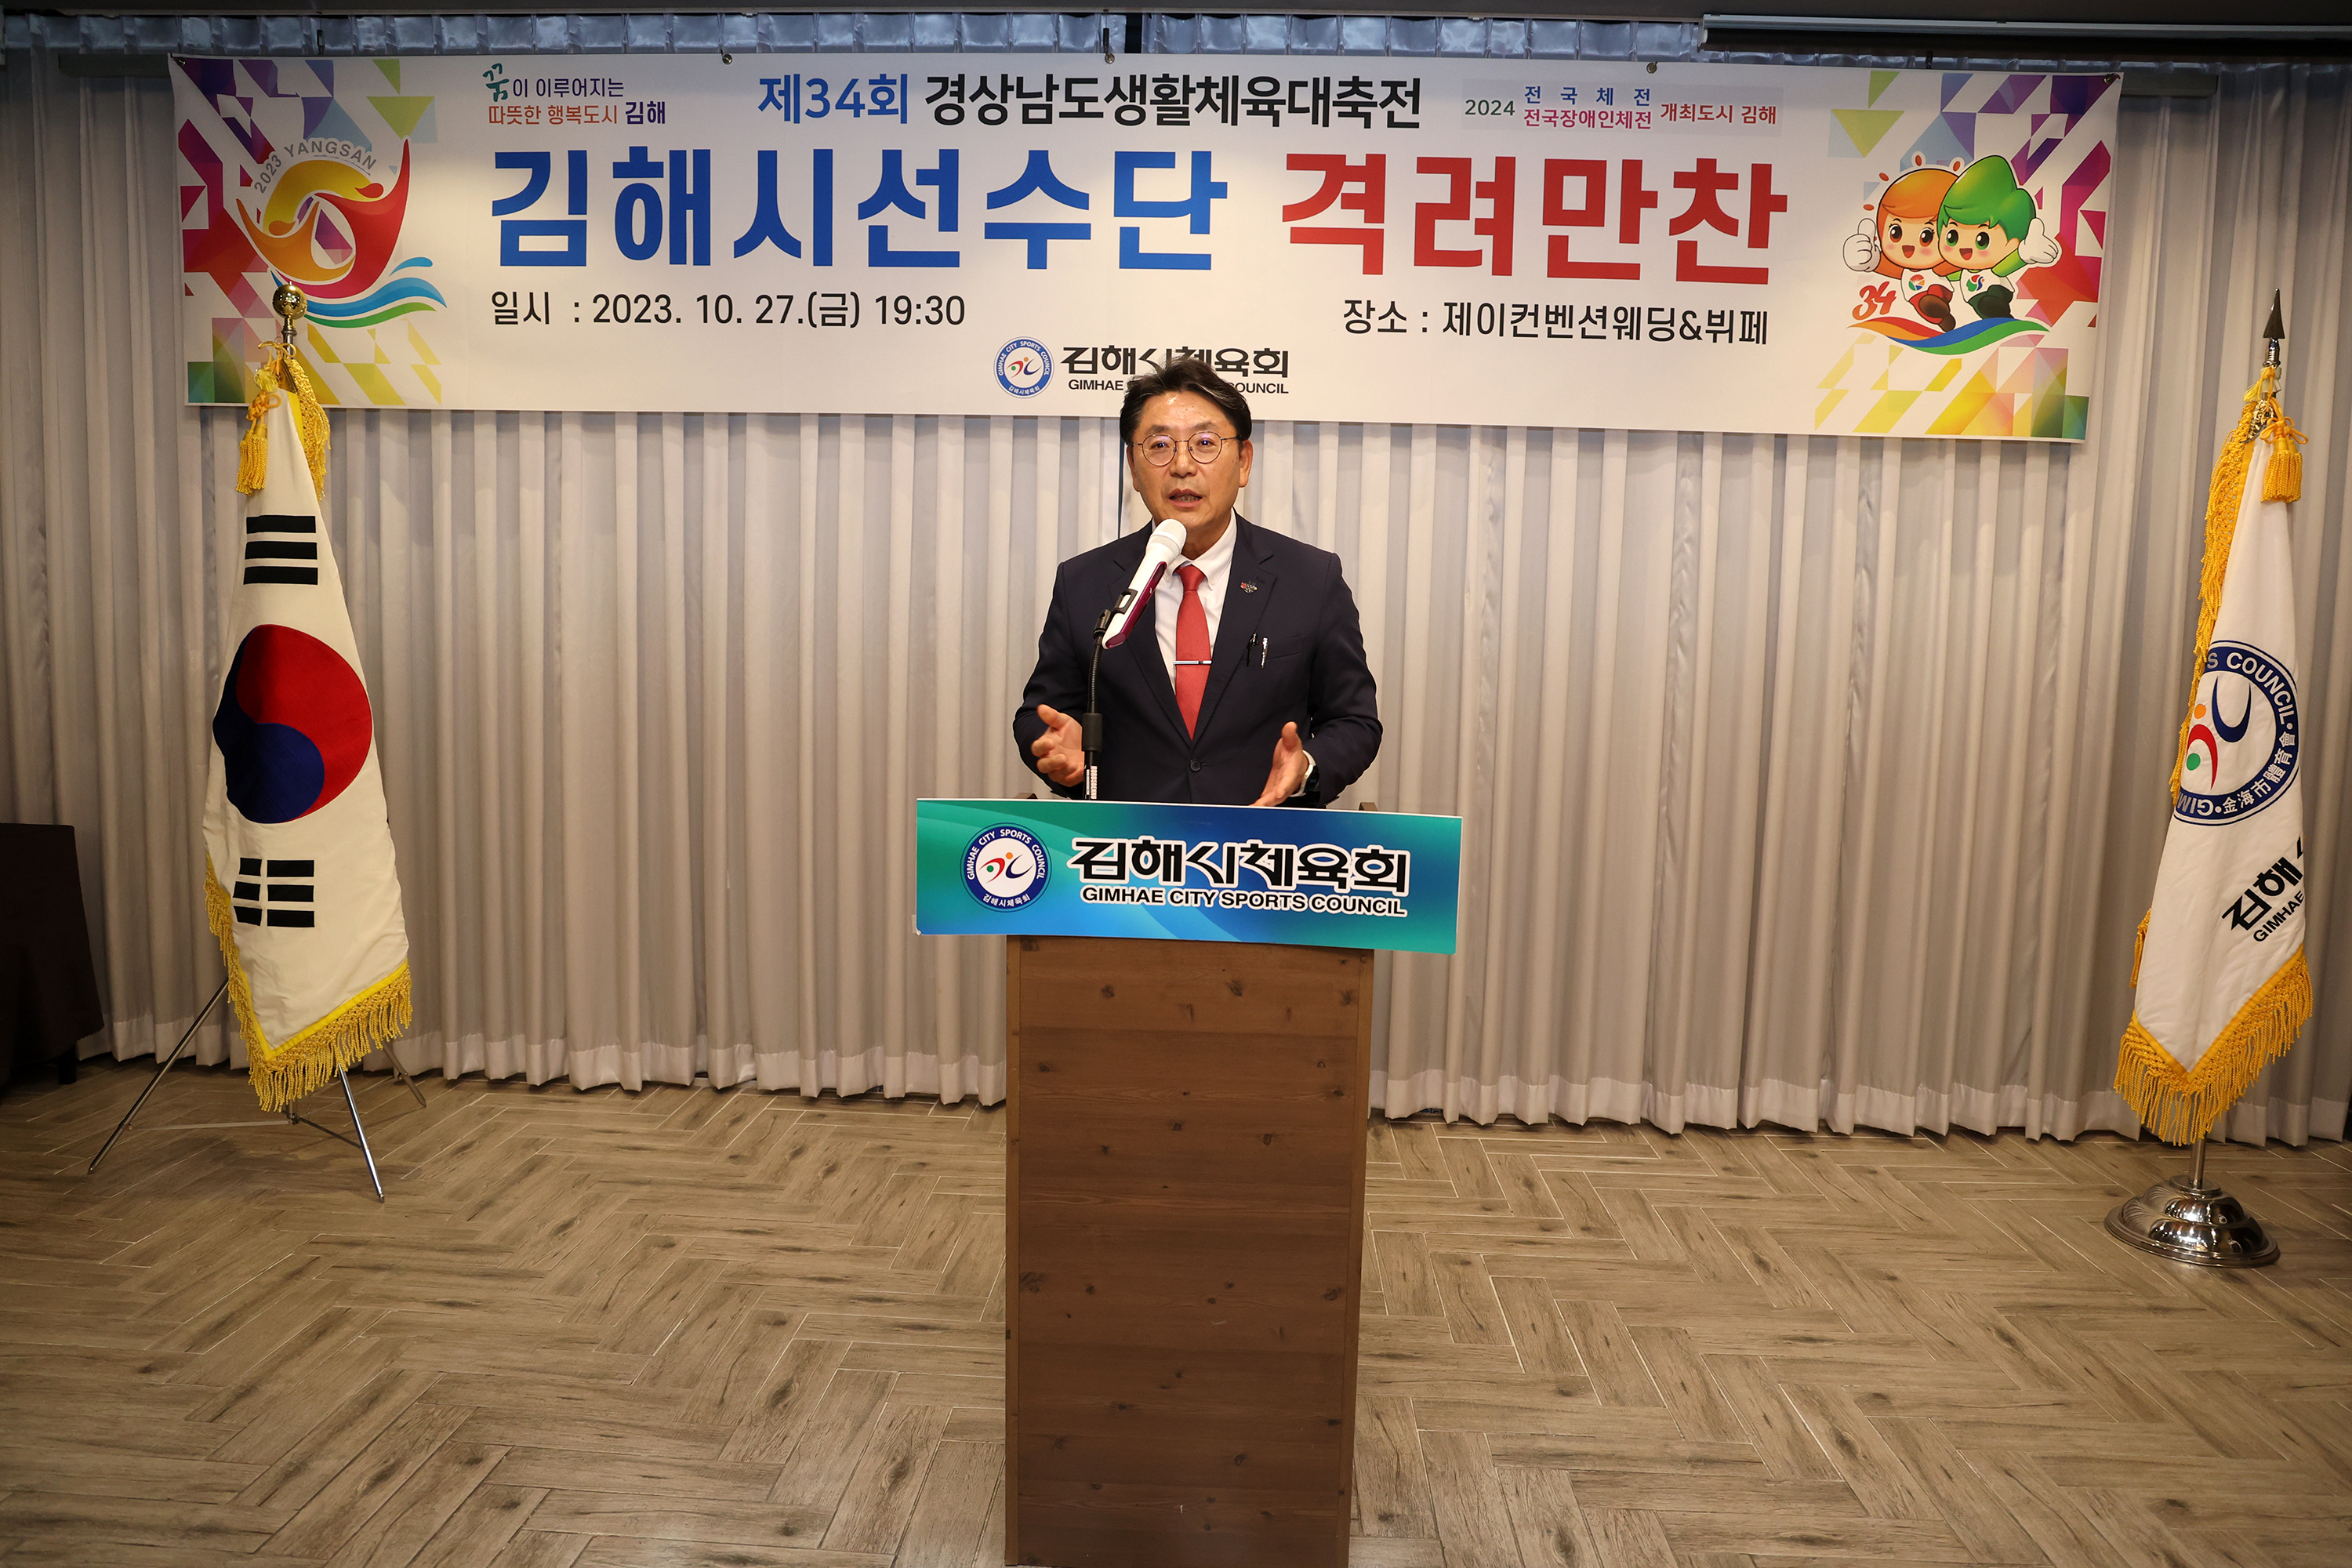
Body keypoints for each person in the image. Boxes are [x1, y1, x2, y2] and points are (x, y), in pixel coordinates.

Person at [1012, 358, 1380, 805]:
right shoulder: (1084, 581)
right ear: (1133, 468)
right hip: (1131, 839)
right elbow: (1039, 714)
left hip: (1263, 835)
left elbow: (1354, 721)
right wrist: (1058, 749)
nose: (1182, 466)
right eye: (1160, 445)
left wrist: (1307, 767)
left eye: (1205, 443)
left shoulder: (1310, 578)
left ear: (1243, 462)